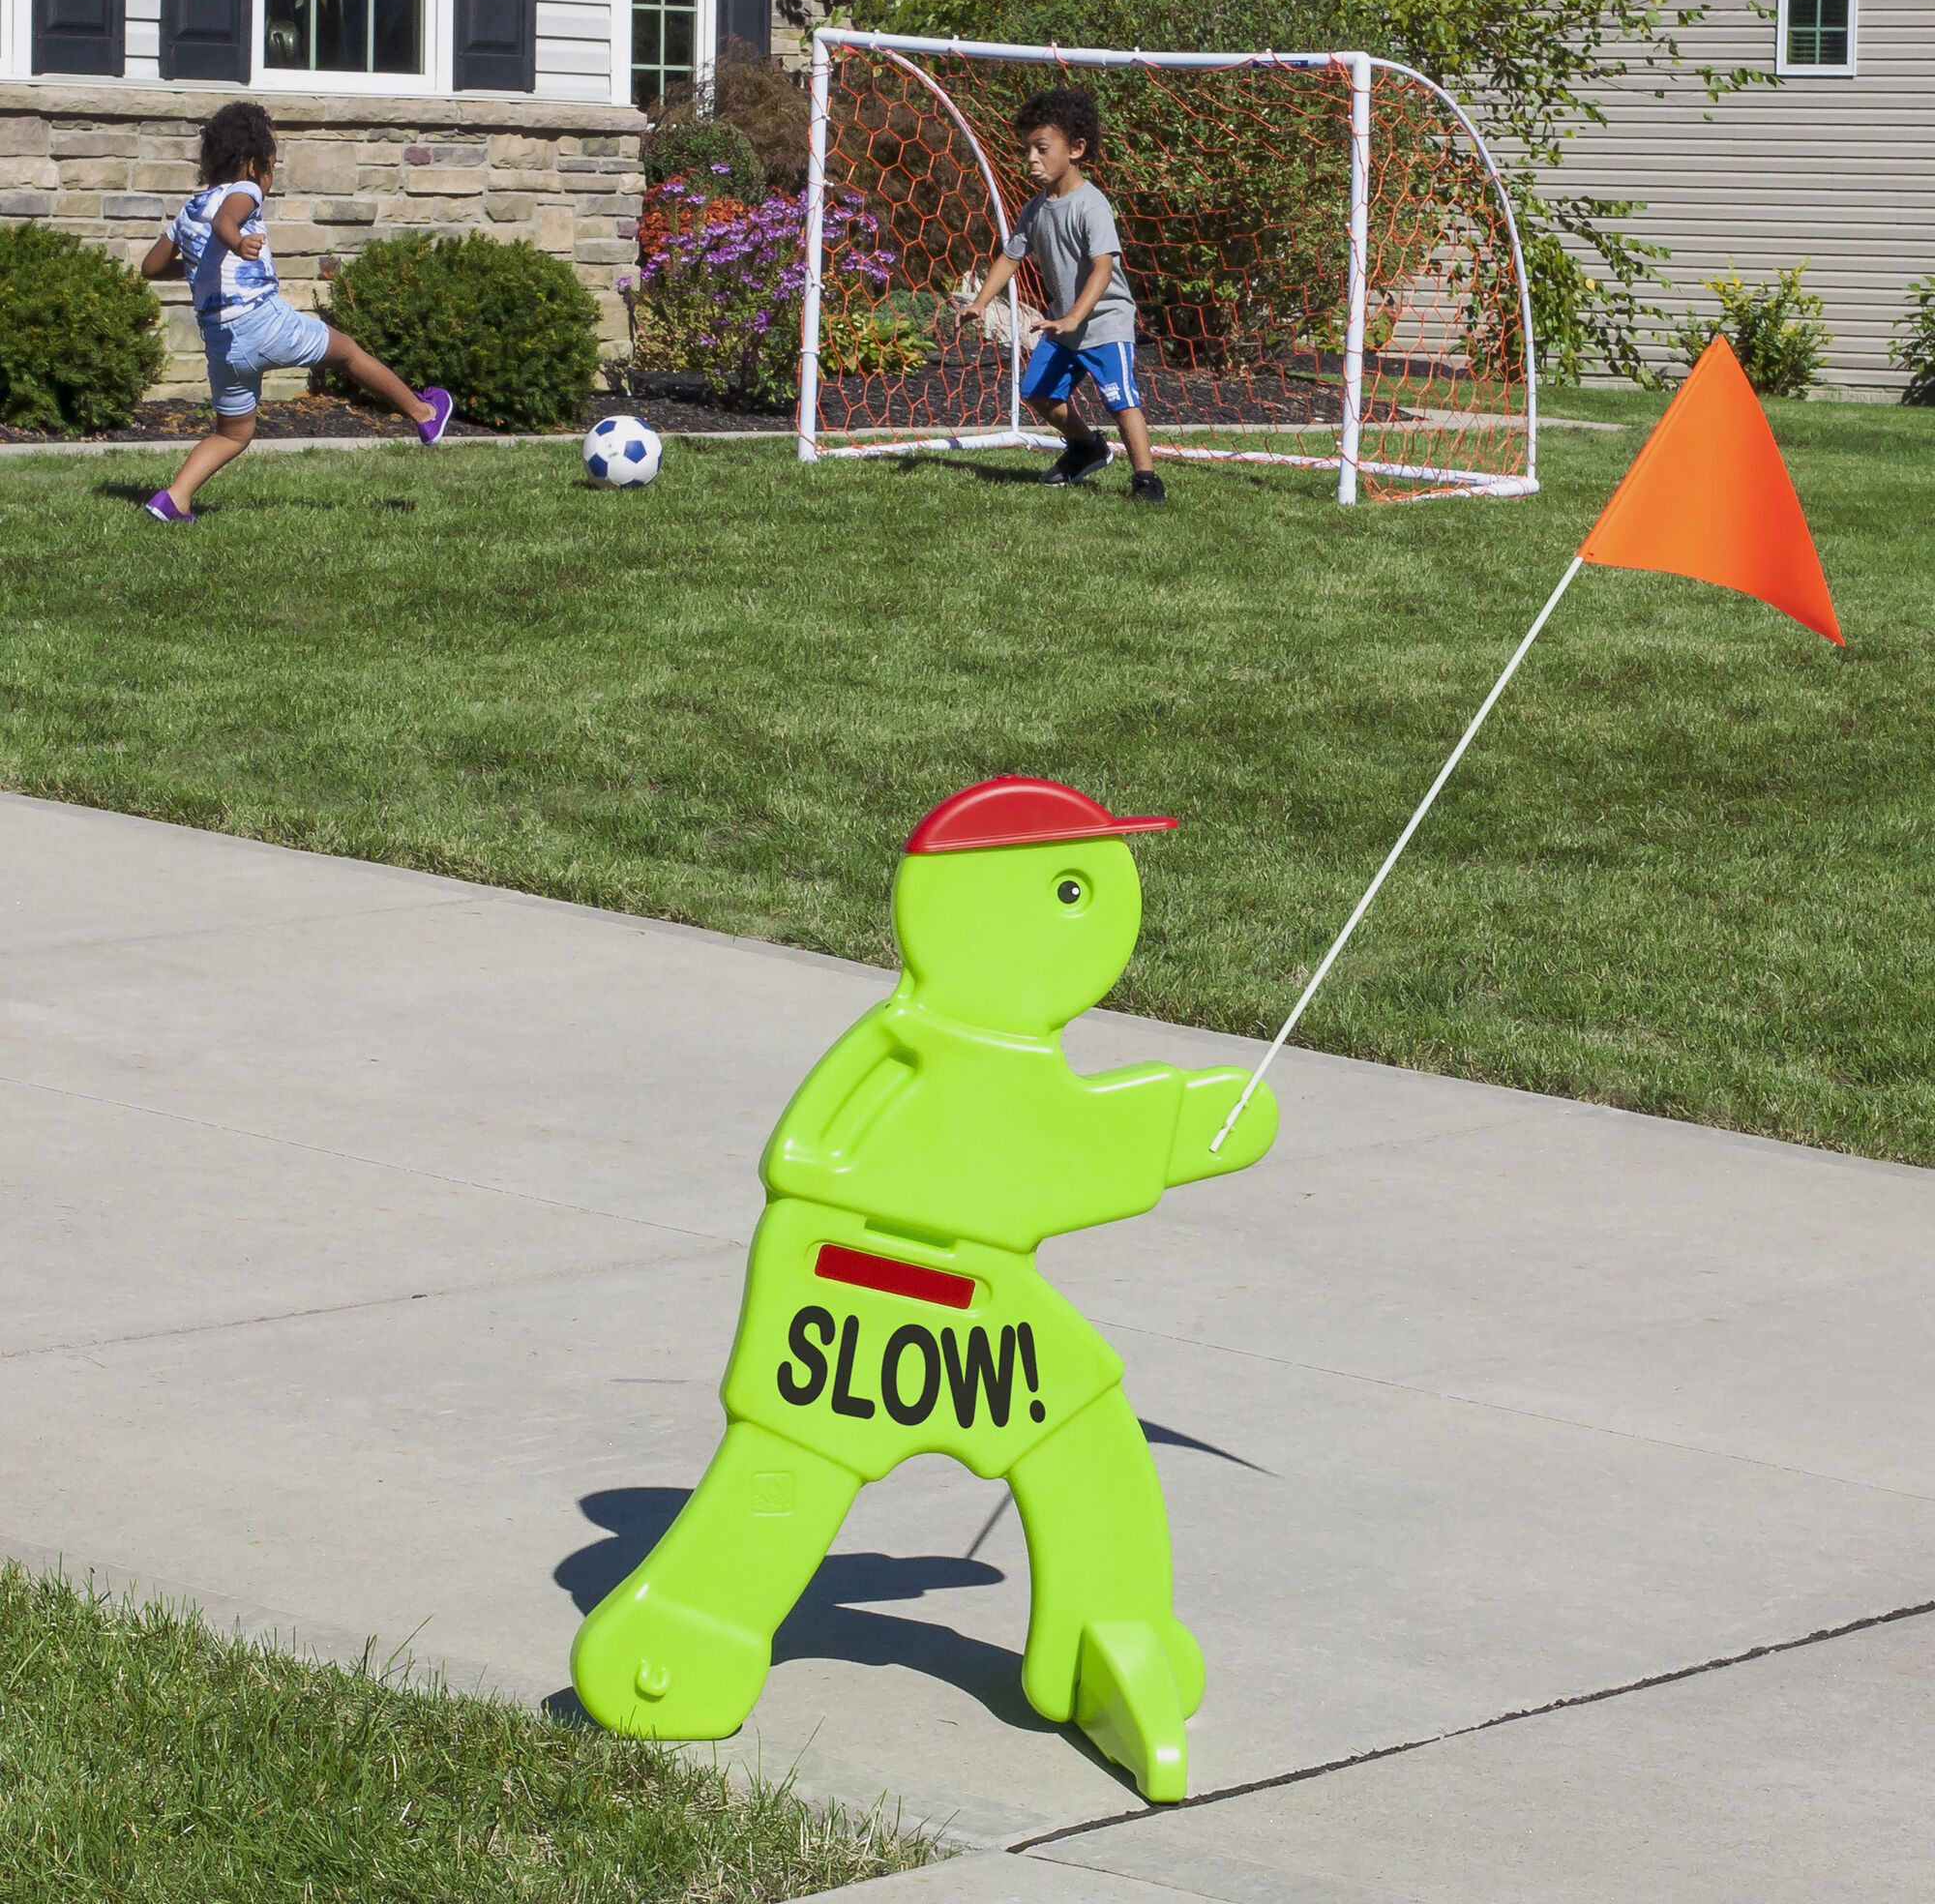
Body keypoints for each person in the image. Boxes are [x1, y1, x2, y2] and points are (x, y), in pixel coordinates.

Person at [569, 776, 1279, 1801]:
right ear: (988, 907)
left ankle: (1100, 1629)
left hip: (937, 1290)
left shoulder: (914, 1045)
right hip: (866, 1300)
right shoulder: (942, 1047)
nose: (1102, 915)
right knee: (801, 1476)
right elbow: (1047, 1154)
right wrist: (1182, 1125)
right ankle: (682, 1634)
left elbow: (1015, 1153)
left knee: (1071, 1429)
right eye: (1073, 890)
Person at [139, 101, 452, 523]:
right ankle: (425, 413)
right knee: (349, 354)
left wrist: (200, 264)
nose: (270, 178)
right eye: (271, 167)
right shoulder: (244, 190)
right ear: (253, 165)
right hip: (264, 324)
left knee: (233, 433)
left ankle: (174, 499)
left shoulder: (188, 210)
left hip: (222, 345)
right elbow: (225, 222)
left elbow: (151, 267)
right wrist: (235, 243)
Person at [958, 87, 1165, 503]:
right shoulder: (1035, 209)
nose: (1031, 159)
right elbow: (1009, 257)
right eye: (1027, 150)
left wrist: (1075, 317)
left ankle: (1146, 479)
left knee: (1120, 400)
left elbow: (1103, 269)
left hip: (1104, 320)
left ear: (1076, 149)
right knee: (1037, 391)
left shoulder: (1092, 206)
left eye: (1041, 149)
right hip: (1062, 323)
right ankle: (1087, 447)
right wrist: (979, 302)